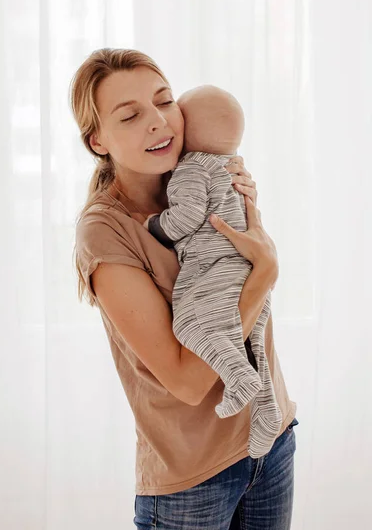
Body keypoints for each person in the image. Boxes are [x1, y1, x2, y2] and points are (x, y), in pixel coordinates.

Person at [71, 48, 299, 530]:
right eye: (130, 116)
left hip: (270, 438)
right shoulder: (105, 232)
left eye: (164, 100)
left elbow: (237, 268)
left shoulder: (206, 172)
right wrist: (264, 274)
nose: (158, 122)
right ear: (98, 141)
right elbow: (188, 382)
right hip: (193, 482)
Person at [144, 85, 282, 459]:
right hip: (247, 268)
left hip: (215, 269)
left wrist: (156, 225)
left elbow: (186, 217)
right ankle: (267, 408)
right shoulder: (233, 166)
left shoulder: (191, 168)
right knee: (253, 341)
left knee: (190, 325)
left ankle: (238, 376)